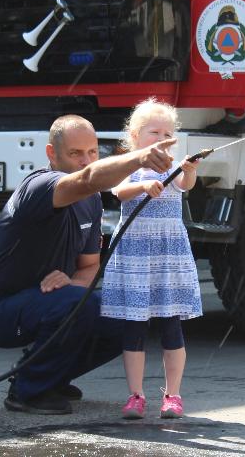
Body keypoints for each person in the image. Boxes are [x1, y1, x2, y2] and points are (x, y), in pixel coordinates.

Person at [0, 115, 177, 415]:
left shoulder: (91, 201)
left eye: (92, 152)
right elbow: (87, 178)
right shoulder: (41, 186)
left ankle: (50, 374)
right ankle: (28, 391)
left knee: (127, 311)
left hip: (48, 302)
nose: (85, 160)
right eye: (75, 153)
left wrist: (72, 283)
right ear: (51, 154)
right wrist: (140, 158)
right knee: (72, 303)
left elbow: (89, 267)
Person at [101, 98, 203, 419]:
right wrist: (144, 184)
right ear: (134, 137)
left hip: (166, 257)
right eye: (153, 132)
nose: (160, 138)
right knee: (135, 327)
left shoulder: (173, 168)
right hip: (135, 255)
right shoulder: (128, 166)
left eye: (166, 133)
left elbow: (186, 185)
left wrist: (190, 170)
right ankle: (136, 395)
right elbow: (118, 192)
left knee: (171, 325)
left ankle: (173, 395)